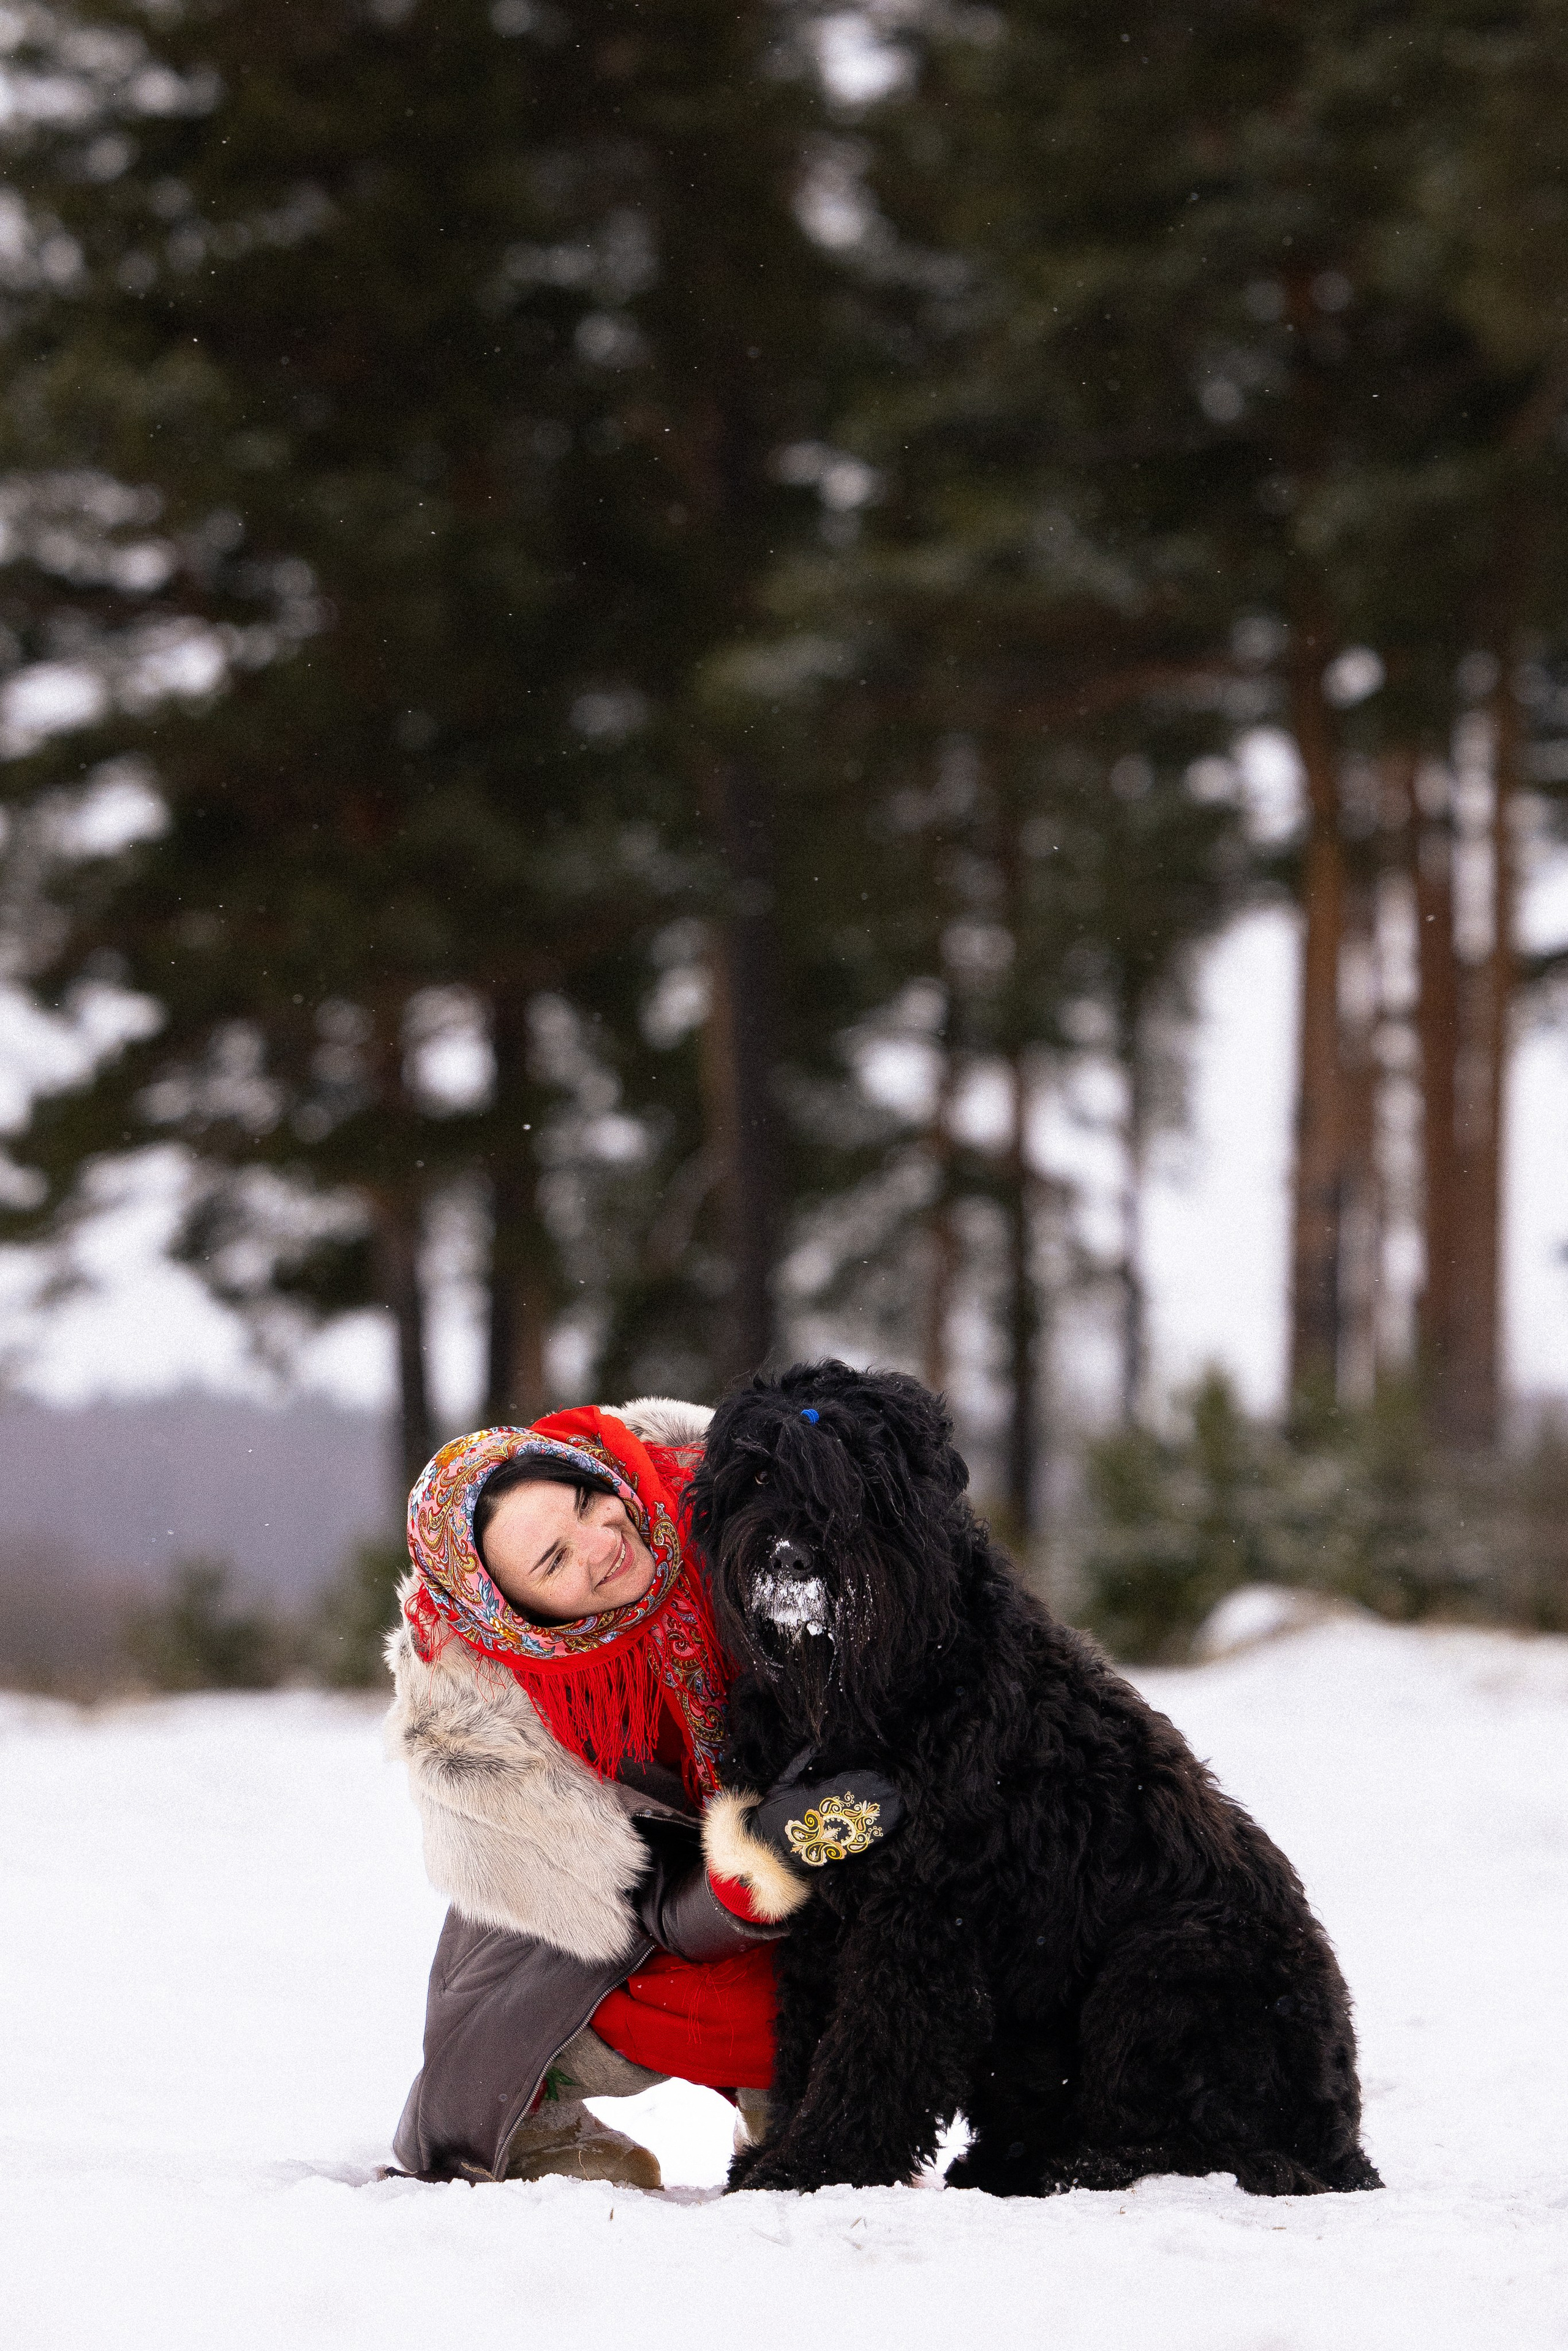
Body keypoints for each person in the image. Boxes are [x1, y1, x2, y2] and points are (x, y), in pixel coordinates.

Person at [384, 1395, 892, 2188]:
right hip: (621, 1932)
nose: (603, 1544)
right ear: (517, 1615)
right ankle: (546, 2123)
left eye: (589, 1500)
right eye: (554, 1560)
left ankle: (805, 2099)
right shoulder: (508, 1715)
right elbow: (645, 1903)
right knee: (749, 1996)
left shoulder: (728, 1503)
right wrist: (749, 1873)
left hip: (811, 1858)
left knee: (894, 1954)